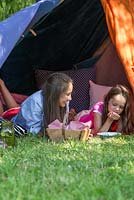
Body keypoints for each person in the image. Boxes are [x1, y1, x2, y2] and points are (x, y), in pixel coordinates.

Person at [0, 73, 73, 136]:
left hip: (25, 112)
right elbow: (32, 131)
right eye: (68, 94)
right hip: (19, 124)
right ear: (56, 94)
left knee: (15, 107)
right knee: (12, 111)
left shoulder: (64, 101)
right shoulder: (36, 101)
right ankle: (1, 84)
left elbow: (63, 123)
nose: (70, 98)